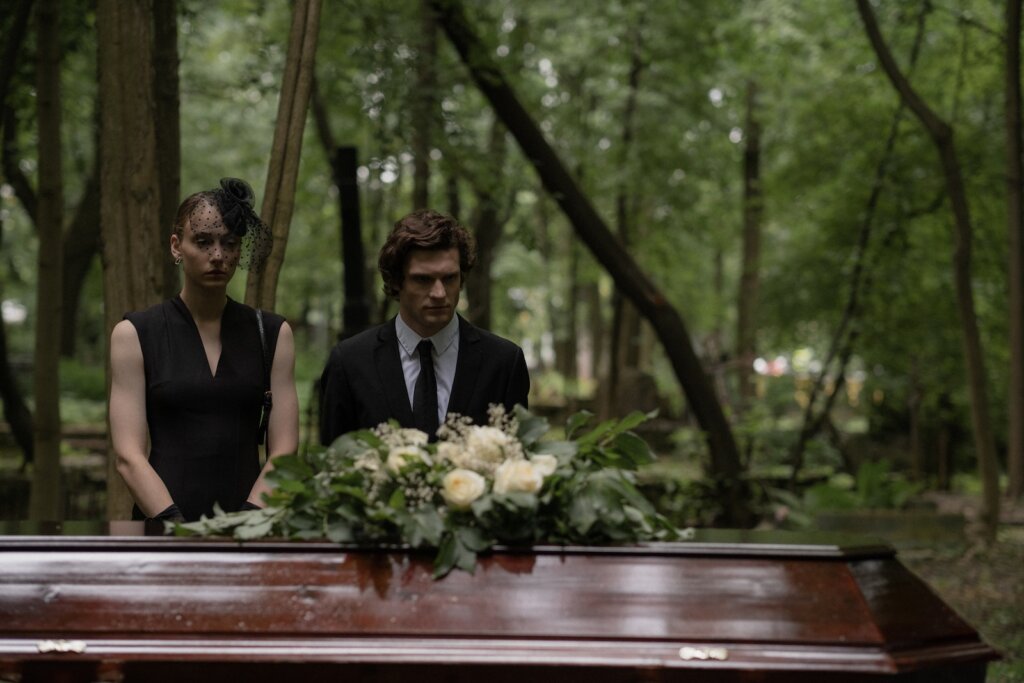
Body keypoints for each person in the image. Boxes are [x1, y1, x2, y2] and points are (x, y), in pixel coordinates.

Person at [109, 178, 299, 523]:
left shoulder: (272, 334)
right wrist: (176, 529)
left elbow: (284, 452)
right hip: (161, 529)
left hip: (251, 530)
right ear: (176, 246)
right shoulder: (135, 334)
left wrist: (246, 526)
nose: (217, 256)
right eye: (203, 241)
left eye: (228, 243)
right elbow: (128, 455)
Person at [319, 209, 529, 445]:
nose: (439, 293)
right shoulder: (350, 362)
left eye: (449, 278)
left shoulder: (503, 363)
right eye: (423, 279)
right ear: (397, 281)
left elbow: (516, 462)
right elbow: (331, 466)